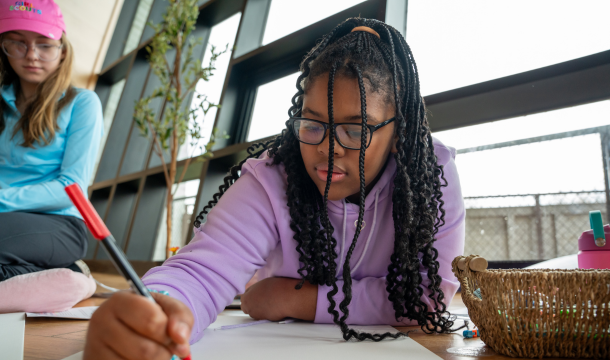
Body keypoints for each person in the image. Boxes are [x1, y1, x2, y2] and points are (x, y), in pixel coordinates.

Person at [84, 18, 465, 359]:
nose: (326, 149)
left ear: (397, 133)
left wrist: (294, 298)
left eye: (354, 130)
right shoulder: (272, 177)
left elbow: (427, 297)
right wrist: (161, 308)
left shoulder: (433, 172)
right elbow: (201, 271)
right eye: (313, 124)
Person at [0, 0, 103, 283]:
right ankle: (64, 275)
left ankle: (69, 274)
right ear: (3, 47)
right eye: (17, 43)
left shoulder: (82, 103)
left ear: (62, 50)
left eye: (44, 44)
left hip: (58, 222)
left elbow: (70, 188)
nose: (31, 55)